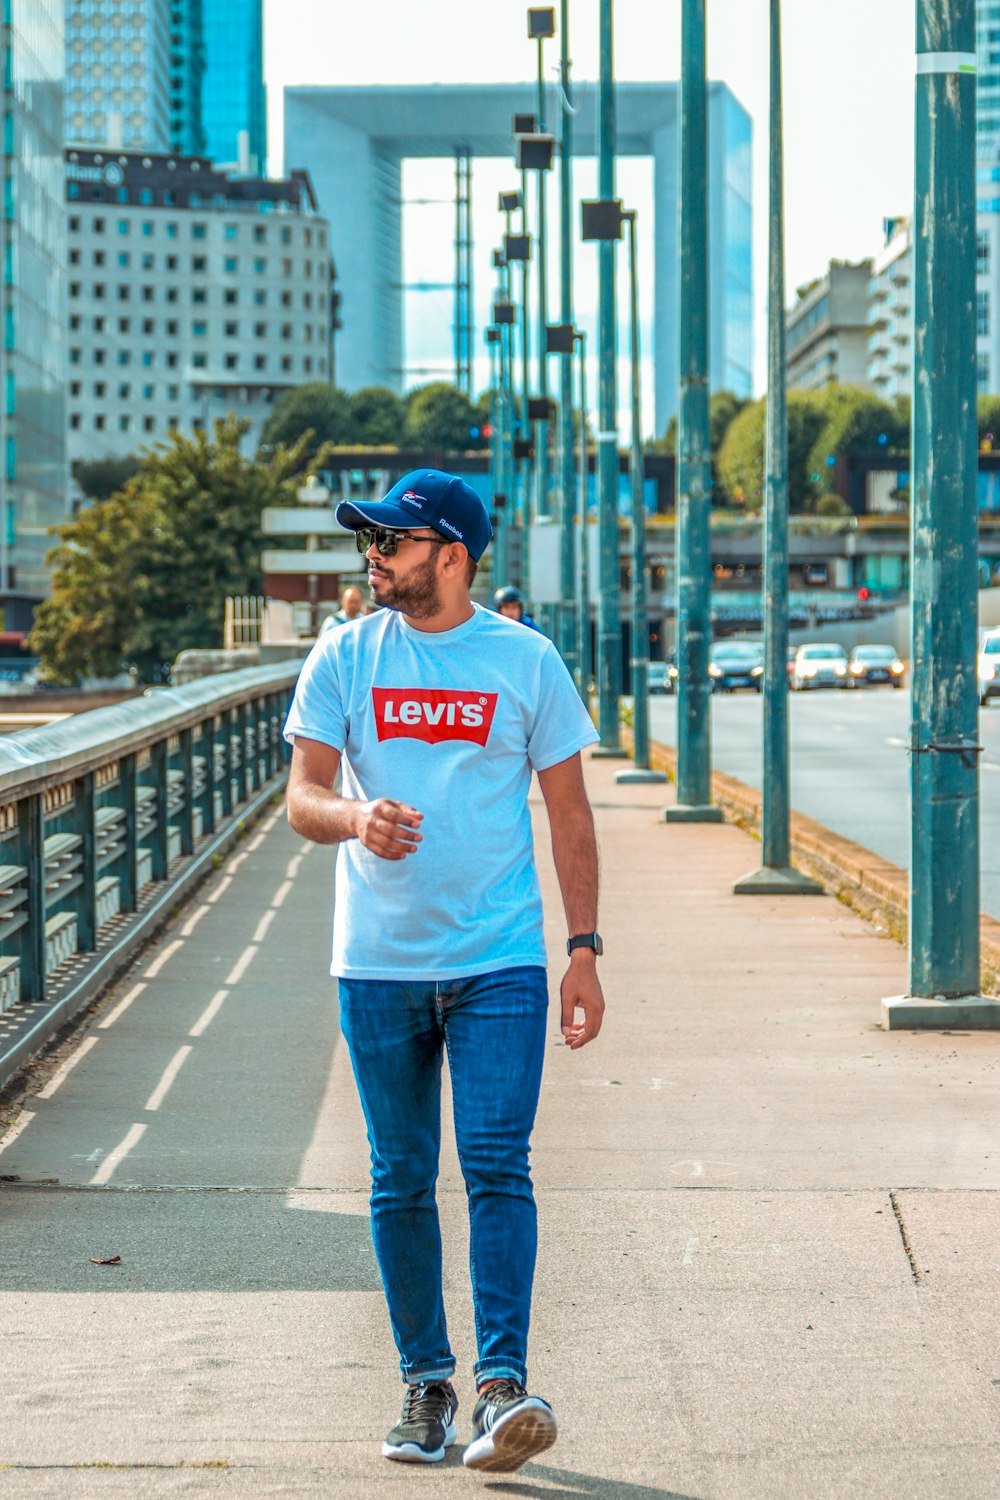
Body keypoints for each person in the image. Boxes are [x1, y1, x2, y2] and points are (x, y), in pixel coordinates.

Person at [283, 467, 605, 1473]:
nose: (373, 557)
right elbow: (303, 797)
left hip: (499, 959)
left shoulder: (524, 660)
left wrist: (583, 951)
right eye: (369, 542)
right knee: (400, 1178)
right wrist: (356, 818)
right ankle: (425, 1385)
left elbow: (568, 814)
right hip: (376, 964)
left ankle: (501, 1389)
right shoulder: (343, 654)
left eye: (391, 541)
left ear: (450, 554)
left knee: (498, 1166)